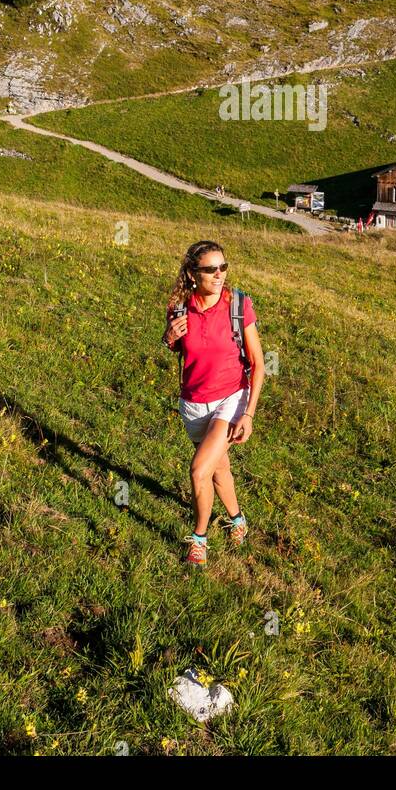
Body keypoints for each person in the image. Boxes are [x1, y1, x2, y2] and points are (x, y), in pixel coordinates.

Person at [163, 240, 265, 567]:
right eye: (210, 269)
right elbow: (181, 351)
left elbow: (259, 364)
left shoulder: (238, 304)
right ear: (193, 274)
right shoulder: (179, 307)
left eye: (223, 267)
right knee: (219, 468)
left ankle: (199, 539)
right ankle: (238, 521)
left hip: (232, 397)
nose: (219, 274)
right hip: (193, 403)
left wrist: (248, 413)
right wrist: (168, 338)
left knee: (199, 470)